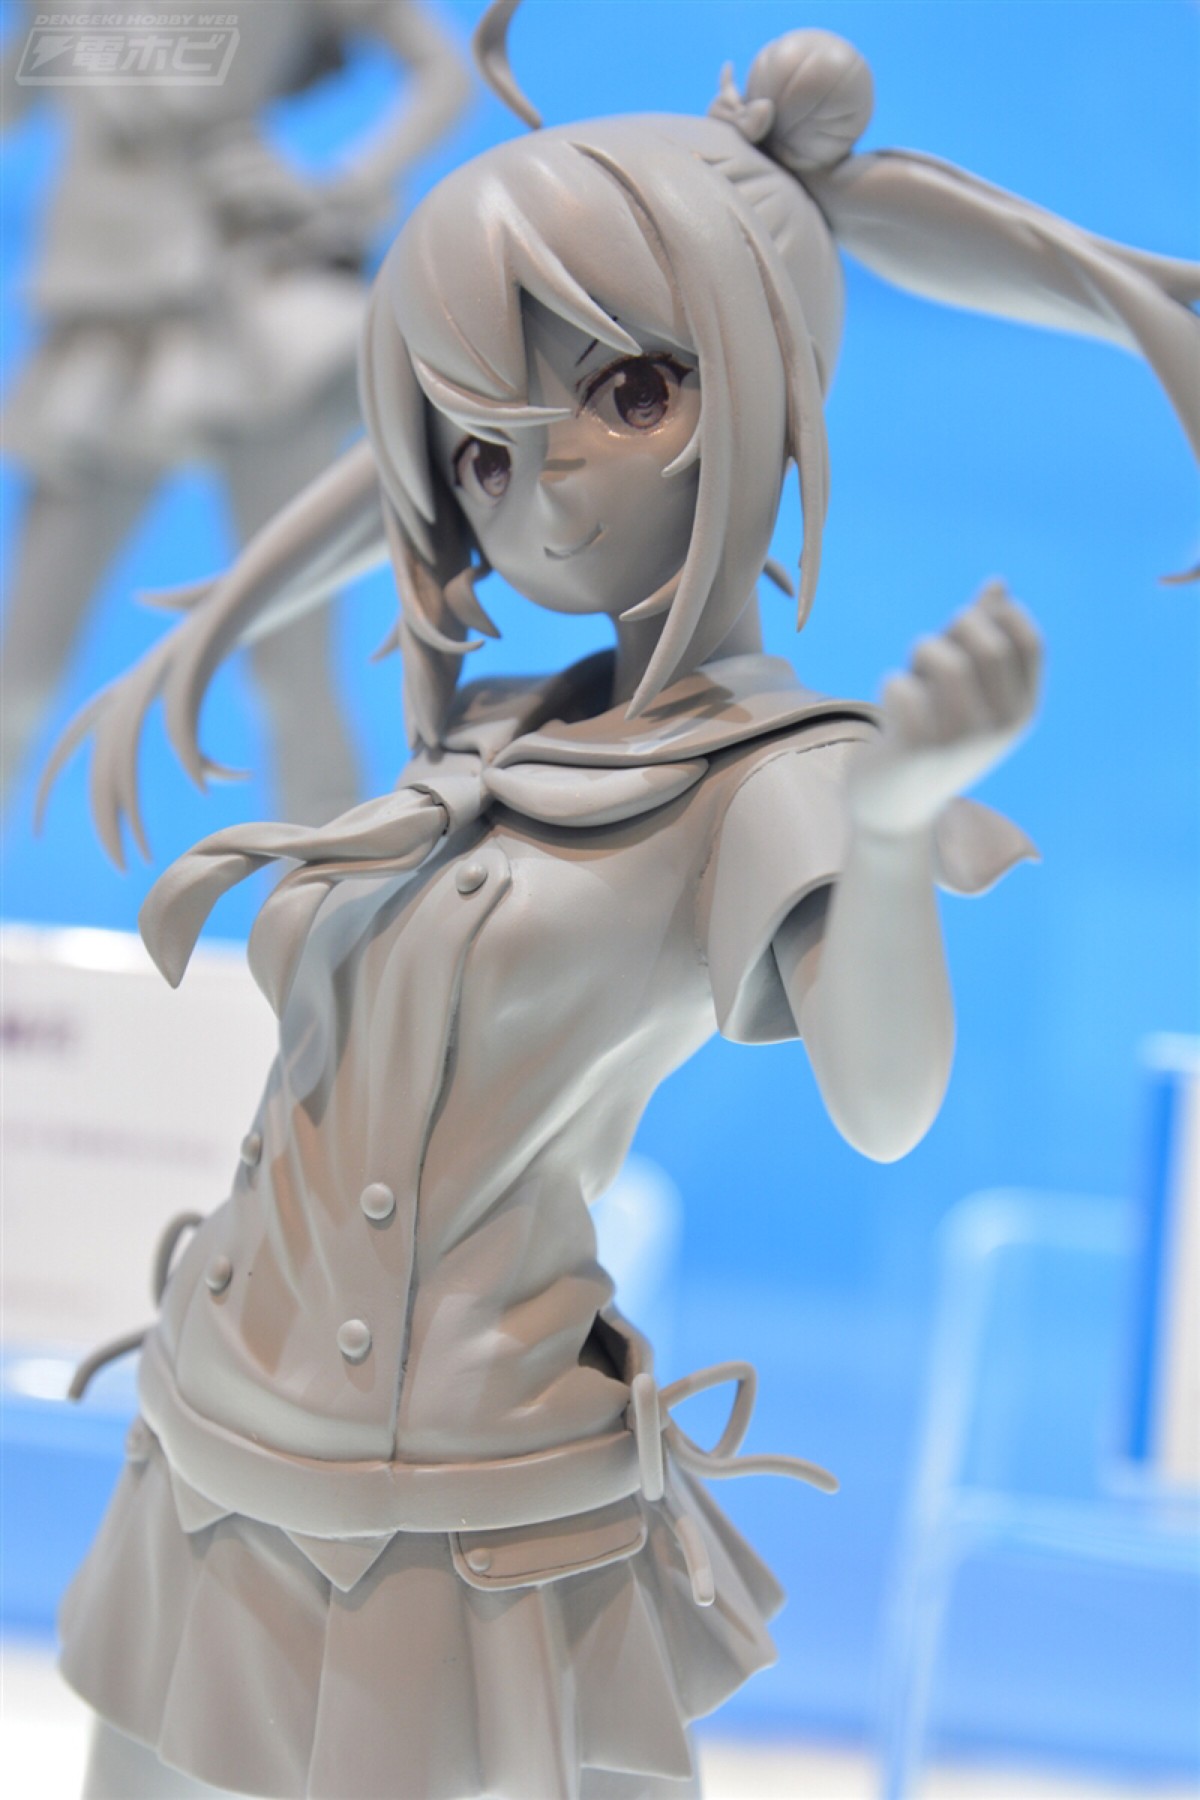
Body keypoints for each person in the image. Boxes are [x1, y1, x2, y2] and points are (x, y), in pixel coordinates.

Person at [47, 10, 1198, 1797]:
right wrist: (218, 627)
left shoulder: (766, 782)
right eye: (484, 454)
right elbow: (396, 495)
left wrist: (895, 829)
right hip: (207, 1451)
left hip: (452, 1530)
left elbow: (886, 1106)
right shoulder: (489, 733)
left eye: (631, 394)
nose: (543, 489)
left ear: (757, 382)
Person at [1, 0, 470, 824]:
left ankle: (331, 890)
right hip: (103, 321)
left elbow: (442, 72)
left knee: (291, 668)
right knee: (21, 668)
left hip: (246, 310)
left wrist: (347, 187)